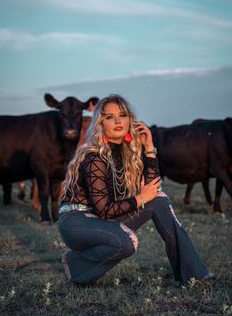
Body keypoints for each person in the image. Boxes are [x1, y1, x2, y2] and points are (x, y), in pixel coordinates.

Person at [58, 94, 213, 286]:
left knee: (158, 199)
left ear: (129, 119)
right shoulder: (94, 157)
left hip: (101, 220)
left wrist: (149, 148)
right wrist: (140, 199)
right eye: (109, 117)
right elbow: (104, 209)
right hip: (77, 222)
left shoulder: (127, 152)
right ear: (100, 123)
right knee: (126, 242)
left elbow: (152, 187)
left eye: (122, 115)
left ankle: (192, 275)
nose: (117, 120)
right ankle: (77, 265)